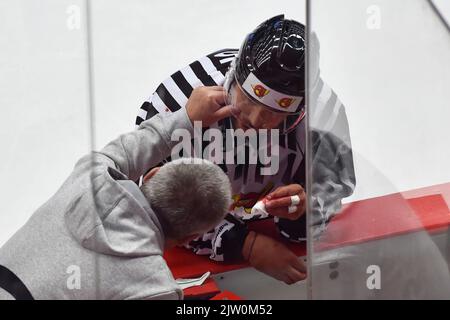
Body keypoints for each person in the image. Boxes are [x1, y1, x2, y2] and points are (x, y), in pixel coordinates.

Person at [135, 14, 356, 284]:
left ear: (299, 112)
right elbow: (153, 200)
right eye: (248, 98)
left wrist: (305, 209)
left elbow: (334, 188)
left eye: (272, 112)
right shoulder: (177, 99)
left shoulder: (324, 117)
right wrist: (244, 244)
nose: (254, 119)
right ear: (233, 79)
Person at [0, 105, 232, 300]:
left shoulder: (89, 176)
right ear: (190, 238)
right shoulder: (154, 288)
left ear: (151, 175)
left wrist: (188, 117)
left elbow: (129, 149)